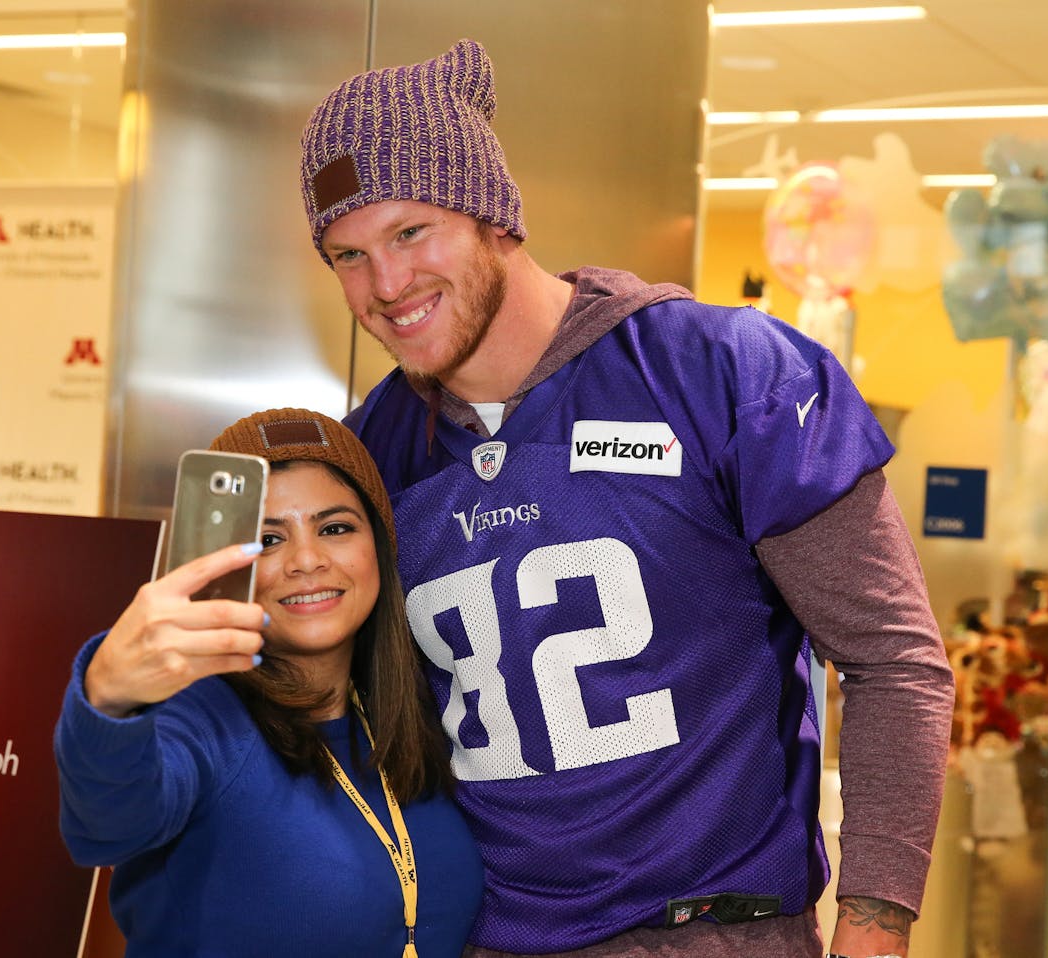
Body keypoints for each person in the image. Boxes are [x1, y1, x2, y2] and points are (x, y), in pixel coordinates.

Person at [297, 39, 956, 958]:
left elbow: (894, 662)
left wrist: (874, 929)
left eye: (412, 232)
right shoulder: (373, 451)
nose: (386, 285)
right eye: (348, 255)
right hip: (481, 936)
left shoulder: (722, 374)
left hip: (714, 933)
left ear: (495, 217)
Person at [54, 408, 484, 957]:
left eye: (335, 528)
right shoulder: (200, 714)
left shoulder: (410, 711)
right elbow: (107, 825)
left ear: (377, 545)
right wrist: (110, 698)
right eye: (266, 540)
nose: (306, 560)